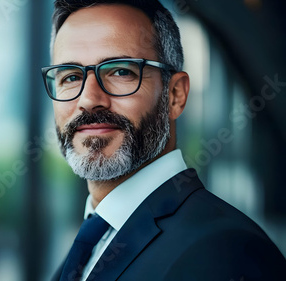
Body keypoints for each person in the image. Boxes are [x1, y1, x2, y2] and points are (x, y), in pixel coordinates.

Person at [41, 0, 286, 280]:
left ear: (175, 95)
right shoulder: (89, 245)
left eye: (121, 71)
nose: (88, 99)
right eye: (71, 76)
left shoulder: (225, 253)